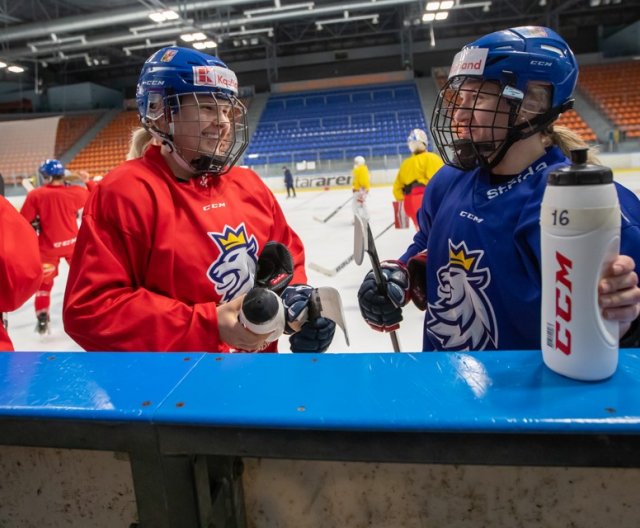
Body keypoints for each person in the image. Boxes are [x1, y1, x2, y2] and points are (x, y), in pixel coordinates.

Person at [357, 26, 640, 351]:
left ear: (533, 101)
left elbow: (619, 318)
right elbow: (429, 243)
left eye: (476, 98)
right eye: (459, 98)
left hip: (529, 398)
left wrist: (626, 324)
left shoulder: (582, 204)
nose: (460, 114)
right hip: (446, 387)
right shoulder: (448, 181)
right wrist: (402, 274)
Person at [63, 46, 335, 353]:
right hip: (171, 391)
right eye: (206, 107)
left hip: (255, 378)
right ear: (162, 114)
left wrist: (298, 301)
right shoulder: (125, 192)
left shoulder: (248, 184)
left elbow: (289, 257)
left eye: (226, 110)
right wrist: (206, 324)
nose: (222, 121)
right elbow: (90, 310)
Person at [20, 159, 89, 334]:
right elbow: (94, 194)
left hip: (48, 248)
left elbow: (24, 221)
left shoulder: (36, 195)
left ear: (47, 176)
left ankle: (42, 315)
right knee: (84, 279)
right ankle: (89, 310)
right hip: (72, 244)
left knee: (44, 283)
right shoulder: (76, 192)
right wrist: (86, 180)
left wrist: (36, 222)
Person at [0, 196, 43, 350]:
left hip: (50, 247)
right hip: (69, 243)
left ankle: (42, 311)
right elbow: (21, 273)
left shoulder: (38, 194)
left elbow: (28, 215)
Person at [392, 129, 444, 229]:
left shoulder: (406, 164)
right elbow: (443, 182)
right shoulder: (433, 158)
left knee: (422, 231)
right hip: (428, 200)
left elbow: (397, 190)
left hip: (410, 203)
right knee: (438, 232)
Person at [352, 155, 370, 220]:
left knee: (357, 205)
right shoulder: (357, 169)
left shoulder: (362, 169)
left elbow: (363, 180)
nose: (355, 163)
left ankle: (361, 218)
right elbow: (355, 180)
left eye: (356, 162)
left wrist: (362, 188)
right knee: (360, 204)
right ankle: (364, 217)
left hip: (361, 190)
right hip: (358, 190)